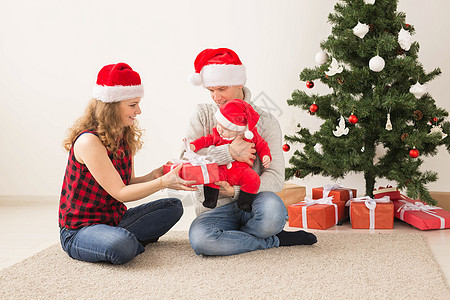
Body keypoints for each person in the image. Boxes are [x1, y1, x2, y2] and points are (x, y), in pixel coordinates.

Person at [58, 62, 196, 265]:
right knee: (121, 246)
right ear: (111, 107)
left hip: (115, 220)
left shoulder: (123, 134)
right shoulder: (89, 142)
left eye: (138, 104)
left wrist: (154, 176)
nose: (138, 111)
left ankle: (122, 239)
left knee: (173, 206)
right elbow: (120, 193)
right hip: (80, 229)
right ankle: (123, 241)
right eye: (132, 105)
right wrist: (163, 183)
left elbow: (127, 183)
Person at [186, 48, 317, 256]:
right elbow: (188, 162)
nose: (216, 97)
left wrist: (235, 192)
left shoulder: (266, 121)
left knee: (273, 213)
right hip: (215, 209)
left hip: (254, 202)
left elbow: (275, 177)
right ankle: (271, 240)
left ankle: (239, 238)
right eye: (210, 90)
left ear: (239, 82)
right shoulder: (202, 115)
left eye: (221, 89)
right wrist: (228, 152)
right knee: (201, 241)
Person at [189, 98, 271, 212]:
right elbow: (204, 140)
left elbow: (262, 145)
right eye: (219, 124)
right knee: (212, 174)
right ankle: (210, 199)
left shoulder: (249, 136)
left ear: (239, 130)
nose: (220, 129)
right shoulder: (218, 135)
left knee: (253, 179)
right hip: (222, 169)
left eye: (225, 128)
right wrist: (194, 145)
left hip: (242, 171)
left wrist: (265, 156)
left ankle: (245, 202)